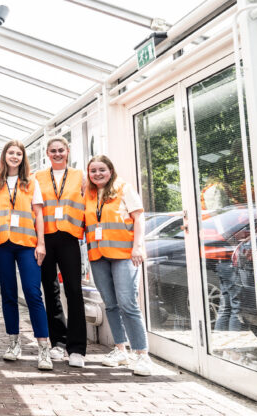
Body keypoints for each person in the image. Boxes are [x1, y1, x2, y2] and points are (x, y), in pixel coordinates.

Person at [0, 140, 52, 370]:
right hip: (2, 243)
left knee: (33, 293)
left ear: (23, 158)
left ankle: (43, 347)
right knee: (8, 294)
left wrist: (41, 243)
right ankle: (13, 343)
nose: (14, 157)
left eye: (19, 154)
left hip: (26, 244)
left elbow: (39, 214)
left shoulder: (31, 182)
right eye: (11, 153)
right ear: (4, 156)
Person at [85, 155, 152, 376]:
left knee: (127, 303)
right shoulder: (90, 193)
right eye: (93, 171)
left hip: (124, 254)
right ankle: (121, 349)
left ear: (110, 170)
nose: (97, 174)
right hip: (98, 255)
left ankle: (142, 354)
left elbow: (138, 218)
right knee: (111, 304)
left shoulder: (123, 188)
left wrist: (138, 247)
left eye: (101, 170)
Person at [35, 137, 87, 367]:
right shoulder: (38, 177)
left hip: (69, 236)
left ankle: (77, 348)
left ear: (68, 151)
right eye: (53, 150)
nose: (57, 154)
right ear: (47, 153)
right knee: (50, 290)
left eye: (61, 150)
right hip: (45, 237)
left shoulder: (80, 176)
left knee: (74, 290)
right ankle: (58, 342)